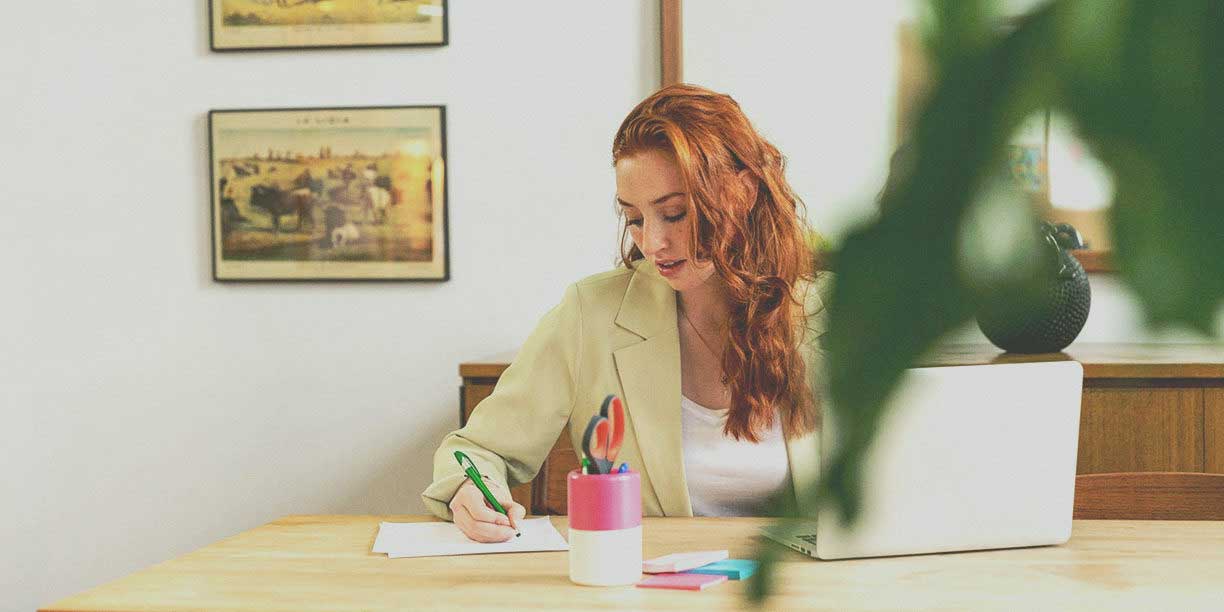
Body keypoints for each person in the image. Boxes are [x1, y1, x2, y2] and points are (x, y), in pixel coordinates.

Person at [422, 84, 833, 543]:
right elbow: (475, 451)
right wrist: (470, 490)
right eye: (635, 219)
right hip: (645, 586)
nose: (652, 243)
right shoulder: (591, 315)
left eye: (674, 214)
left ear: (742, 192)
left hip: (801, 589)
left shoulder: (831, 316)